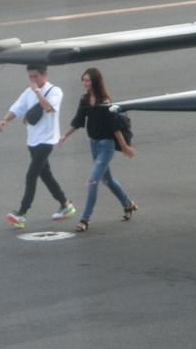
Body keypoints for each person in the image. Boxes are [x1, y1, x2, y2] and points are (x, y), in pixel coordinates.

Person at [58, 67, 137, 233]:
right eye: (83, 80)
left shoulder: (105, 102)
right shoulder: (85, 100)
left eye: (87, 80)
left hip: (106, 146)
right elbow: (78, 120)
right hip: (93, 145)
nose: (85, 83)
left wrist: (124, 146)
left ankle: (84, 219)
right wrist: (64, 135)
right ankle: (128, 204)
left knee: (92, 181)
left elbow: (114, 126)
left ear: (95, 81)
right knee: (107, 180)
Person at [0, 64, 74, 230]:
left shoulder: (55, 91)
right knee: (46, 175)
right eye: (30, 77)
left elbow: (48, 107)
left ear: (44, 74)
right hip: (32, 141)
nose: (32, 80)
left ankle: (22, 213)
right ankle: (66, 204)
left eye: (35, 76)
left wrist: (37, 91)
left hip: (46, 141)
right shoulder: (28, 92)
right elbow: (17, 108)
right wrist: (5, 119)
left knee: (31, 175)